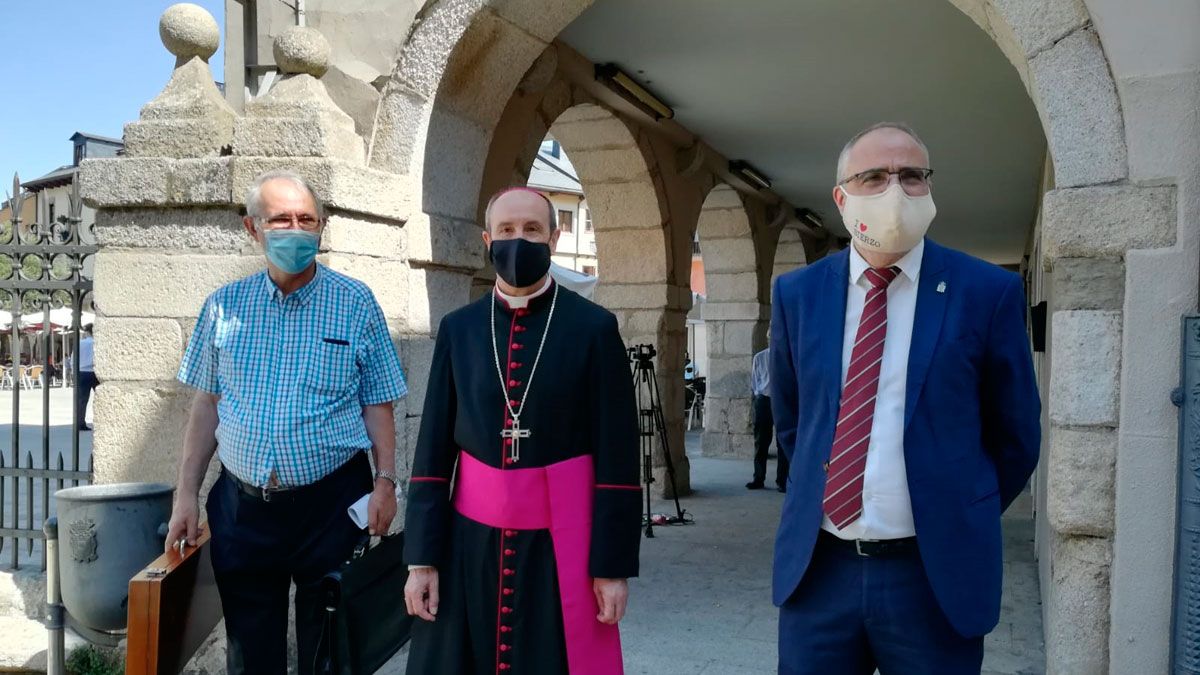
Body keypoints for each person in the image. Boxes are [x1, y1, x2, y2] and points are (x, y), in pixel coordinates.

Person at [770, 123, 1040, 674]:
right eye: (874, 176)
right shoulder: (797, 294)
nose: (896, 190)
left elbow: (1016, 437)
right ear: (842, 198)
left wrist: (959, 507)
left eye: (912, 176)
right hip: (819, 572)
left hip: (934, 575)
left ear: (930, 189)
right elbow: (795, 421)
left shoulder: (987, 293)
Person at [164, 170, 407, 675]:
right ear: (253, 229)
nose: (295, 230)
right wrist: (185, 494)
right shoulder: (223, 308)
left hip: (333, 505)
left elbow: (379, 402)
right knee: (251, 656)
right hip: (242, 508)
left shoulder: (355, 302)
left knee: (331, 651)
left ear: (321, 228)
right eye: (280, 219)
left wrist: (385, 483)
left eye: (306, 219)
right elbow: (206, 404)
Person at [403, 187, 642, 674]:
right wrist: (422, 559)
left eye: (532, 229)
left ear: (553, 238)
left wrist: (612, 566)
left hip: (561, 550)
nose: (519, 240)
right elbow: (432, 452)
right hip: (469, 545)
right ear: (488, 239)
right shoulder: (460, 329)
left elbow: (619, 457)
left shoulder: (594, 329)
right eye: (507, 230)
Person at [746, 345, 787, 492]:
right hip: (764, 399)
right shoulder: (760, 357)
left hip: (782, 399)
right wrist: (759, 394)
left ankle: (782, 480)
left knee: (782, 440)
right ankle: (758, 478)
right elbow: (754, 379)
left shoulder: (786, 356)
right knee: (761, 440)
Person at [75, 324, 96, 431]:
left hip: (82, 372)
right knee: (100, 397)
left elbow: (73, 359)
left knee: (82, 400)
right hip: (95, 372)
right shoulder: (97, 343)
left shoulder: (80, 343)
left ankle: (80, 423)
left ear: (87, 332)